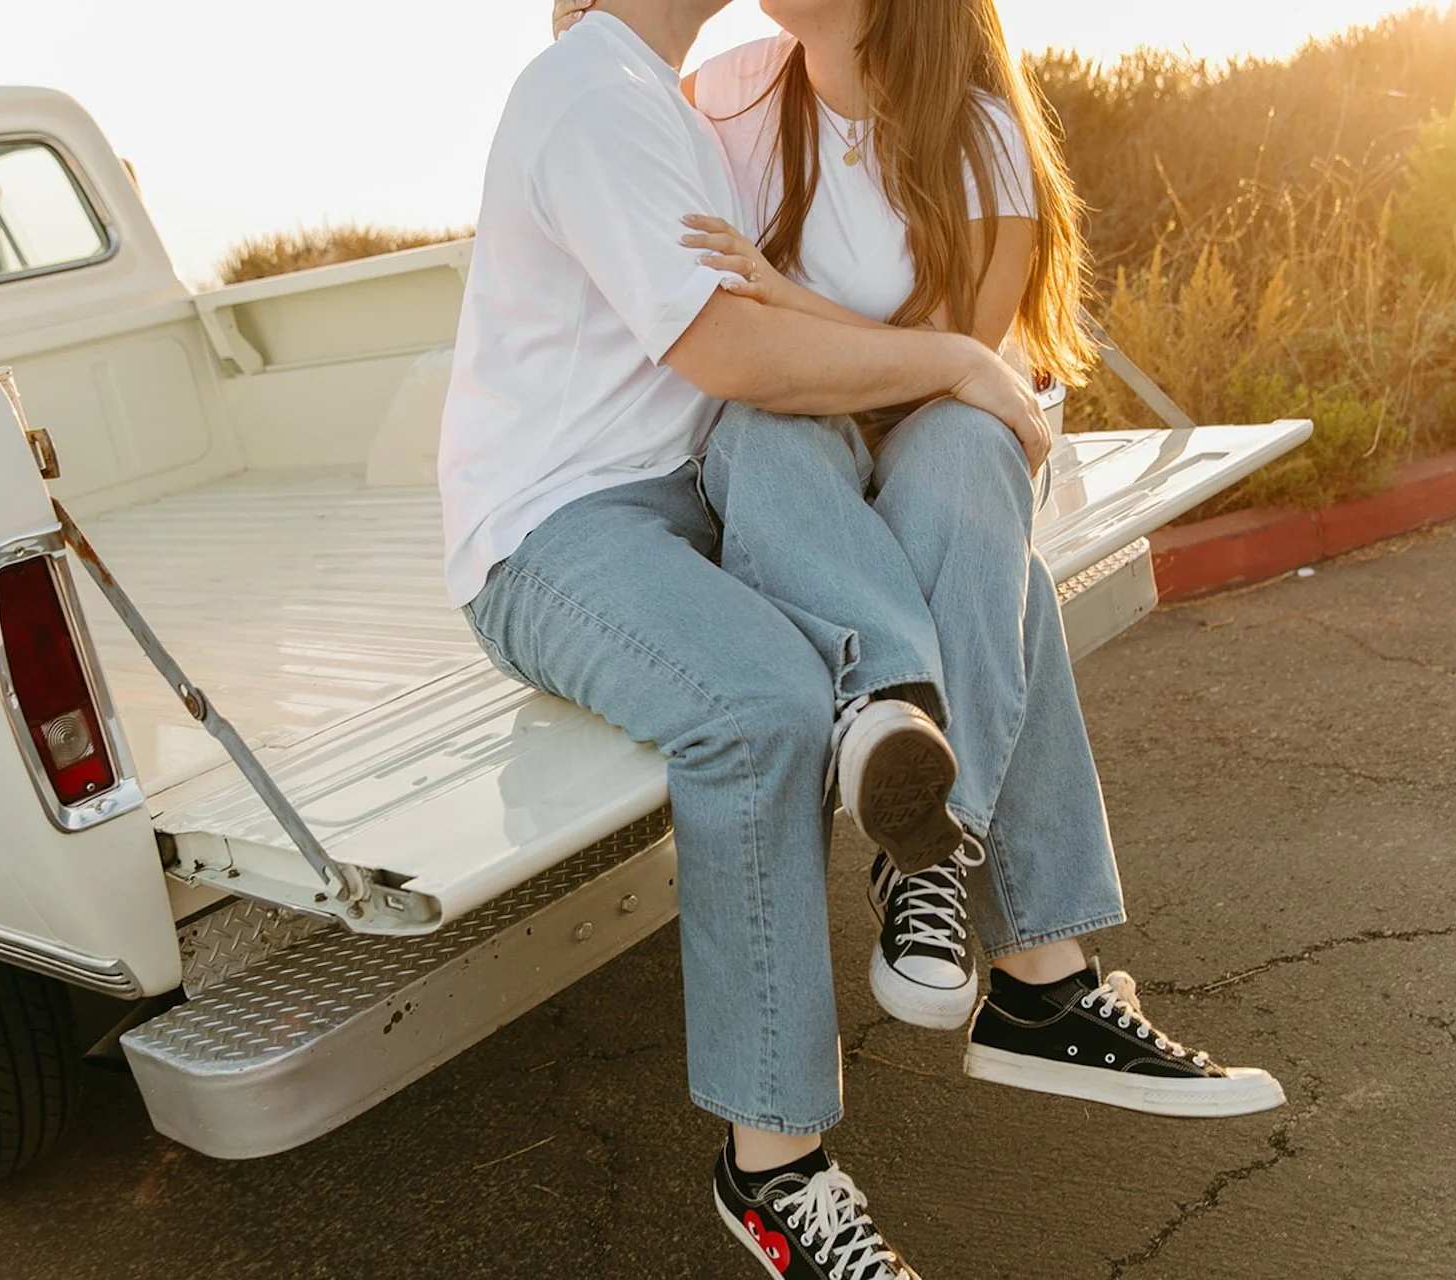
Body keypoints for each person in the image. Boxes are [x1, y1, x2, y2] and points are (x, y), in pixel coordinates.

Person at [441, 3, 1276, 1275]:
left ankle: (1021, 955)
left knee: (999, 573)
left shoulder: (669, 93)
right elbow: (727, 347)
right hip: (557, 527)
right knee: (763, 703)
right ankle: (772, 1167)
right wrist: (949, 358)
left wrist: (951, 372)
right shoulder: (601, 93)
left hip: (693, 485)